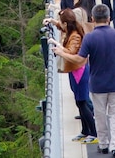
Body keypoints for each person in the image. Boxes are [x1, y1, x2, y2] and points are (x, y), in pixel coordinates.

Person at [54, 4, 115, 157]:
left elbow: (79, 59)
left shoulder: (89, 37)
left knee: (100, 115)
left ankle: (103, 145)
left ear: (93, 19)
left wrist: (60, 53)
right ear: (109, 19)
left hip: (97, 83)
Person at [47, 9, 97, 144]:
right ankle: (85, 131)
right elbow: (62, 27)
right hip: (74, 71)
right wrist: (53, 22)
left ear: (66, 23)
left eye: (61, 23)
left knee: (82, 102)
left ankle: (93, 132)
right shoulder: (70, 31)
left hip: (79, 71)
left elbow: (72, 53)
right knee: (79, 102)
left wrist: (58, 48)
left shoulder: (75, 36)